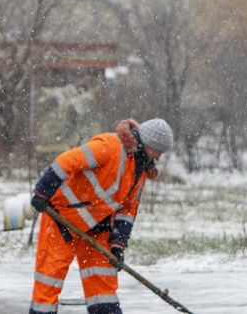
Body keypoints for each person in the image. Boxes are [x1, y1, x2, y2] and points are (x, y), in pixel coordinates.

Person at [28, 118, 173, 314]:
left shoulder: (141, 170)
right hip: (61, 219)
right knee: (49, 280)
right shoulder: (110, 146)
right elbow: (66, 161)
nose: (160, 156)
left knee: (103, 286)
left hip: (97, 227)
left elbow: (128, 209)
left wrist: (118, 242)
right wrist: (42, 191)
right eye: (159, 151)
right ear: (148, 145)